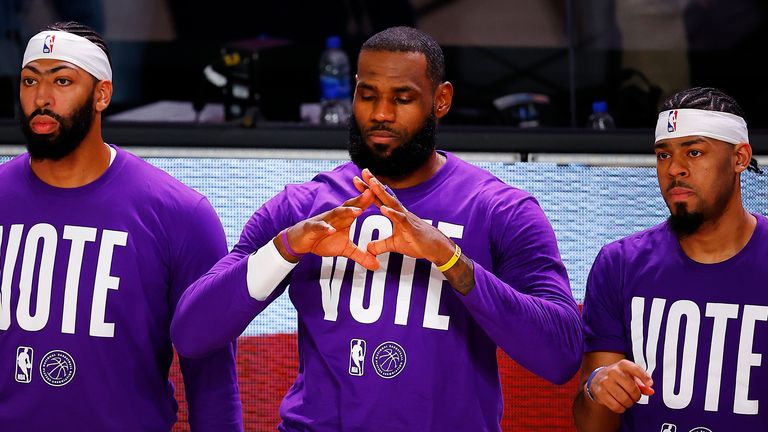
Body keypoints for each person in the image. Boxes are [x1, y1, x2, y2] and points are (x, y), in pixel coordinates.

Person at [171, 26, 582, 431]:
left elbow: (561, 355)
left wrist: (450, 259)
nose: (381, 114)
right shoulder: (304, 208)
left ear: (441, 100)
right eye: (368, 96)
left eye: (402, 98)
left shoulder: (500, 210)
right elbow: (191, 334)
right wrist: (286, 249)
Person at [0, 21, 242, 430]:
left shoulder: (181, 215)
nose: (41, 97)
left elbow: (212, 385)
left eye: (62, 80)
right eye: (29, 80)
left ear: (102, 94)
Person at [573, 87, 767, 431]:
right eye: (663, 155)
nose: (675, 168)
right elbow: (593, 426)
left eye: (694, 152)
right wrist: (598, 388)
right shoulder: (619, 264)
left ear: (740, 158)